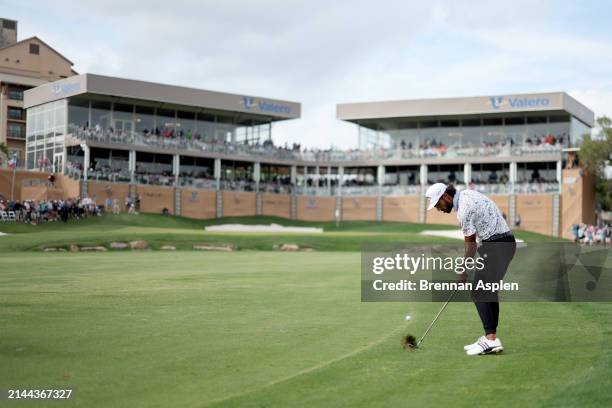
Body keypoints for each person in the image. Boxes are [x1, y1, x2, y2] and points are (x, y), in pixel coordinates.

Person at [425, 183, 516, 356]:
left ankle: (490, 340)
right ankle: (490, 337)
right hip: (502, 243)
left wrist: (463, 269)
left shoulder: (463, 210)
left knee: (479, 291)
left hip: (496, 245)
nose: (438, 208)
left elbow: (471, 244)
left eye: (438, 204)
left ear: (446, 197)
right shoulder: (468, 194)